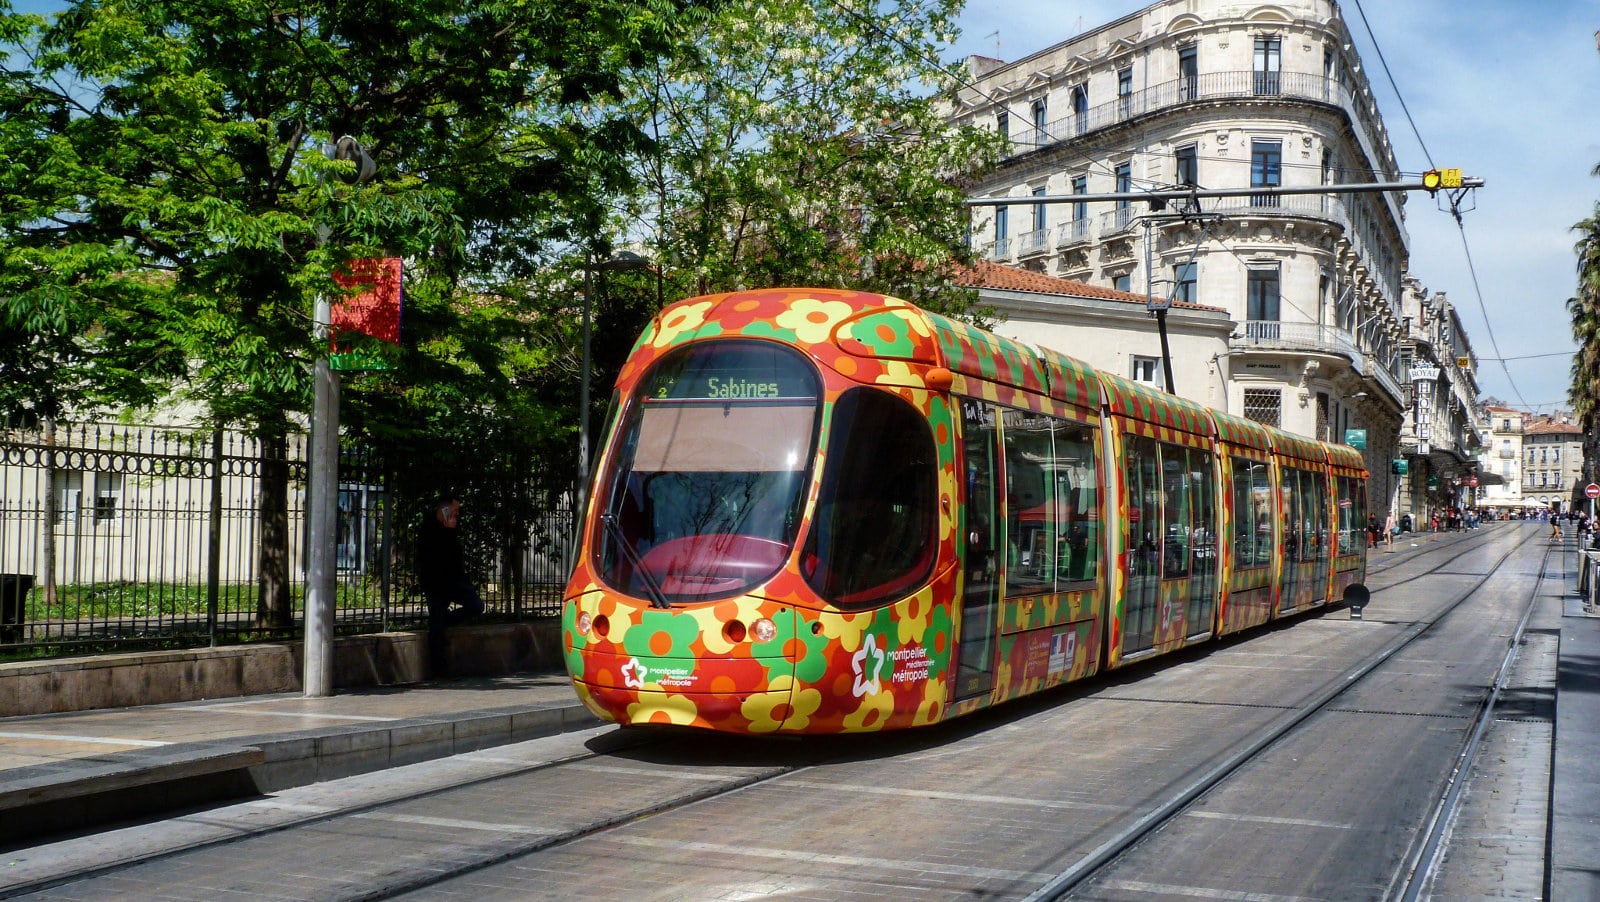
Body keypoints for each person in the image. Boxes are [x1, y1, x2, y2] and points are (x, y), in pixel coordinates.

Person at [417, 496, 484, 675]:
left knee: (476, 605)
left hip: (454, 581)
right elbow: (430, 558)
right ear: (444, 510)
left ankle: (445, 619)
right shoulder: (430, 528)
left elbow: (455, 556)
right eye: (454, 511)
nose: (457, 514)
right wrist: (445, 530)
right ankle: (438, 669)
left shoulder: (452, 528)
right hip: (436, 583)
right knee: (437, 628)